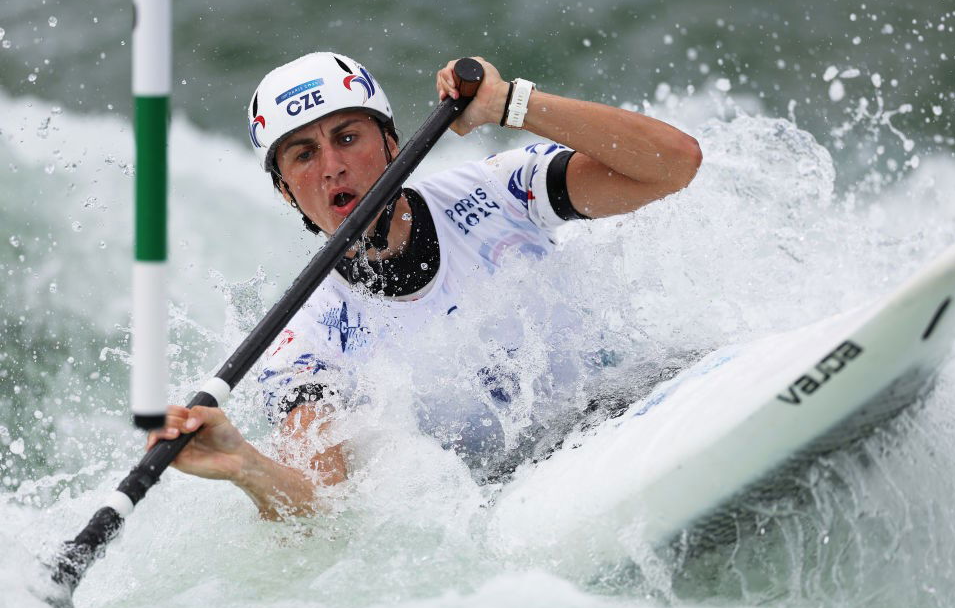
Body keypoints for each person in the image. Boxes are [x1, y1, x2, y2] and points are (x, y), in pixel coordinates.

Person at [148, 53, 702, 520]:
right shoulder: (305, 338)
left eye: (347, 138)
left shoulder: (501, 191)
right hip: (511, 496)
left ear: (392, 145)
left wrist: (511, 103)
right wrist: (245, 465)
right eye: (304, 155)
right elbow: (324, 509)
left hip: (631, 405)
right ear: (287, 192)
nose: (333, 167)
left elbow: (673, 166)